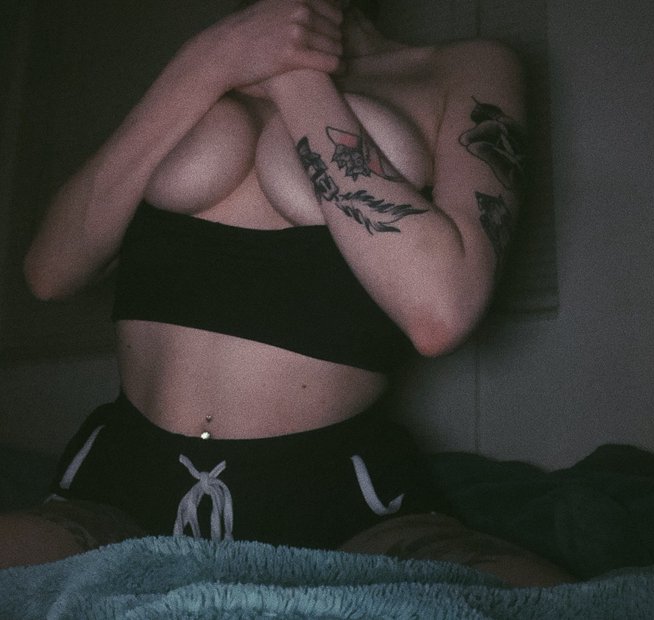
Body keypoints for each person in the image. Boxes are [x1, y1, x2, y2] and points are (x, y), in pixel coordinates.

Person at [0, 0, 573, 586]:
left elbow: (441, 310)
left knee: (548, 597)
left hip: (338, 498)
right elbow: (50, 272)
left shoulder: (465, 67)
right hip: (120, 482)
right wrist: (208, 60)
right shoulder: (206, 61)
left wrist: (294, 71)